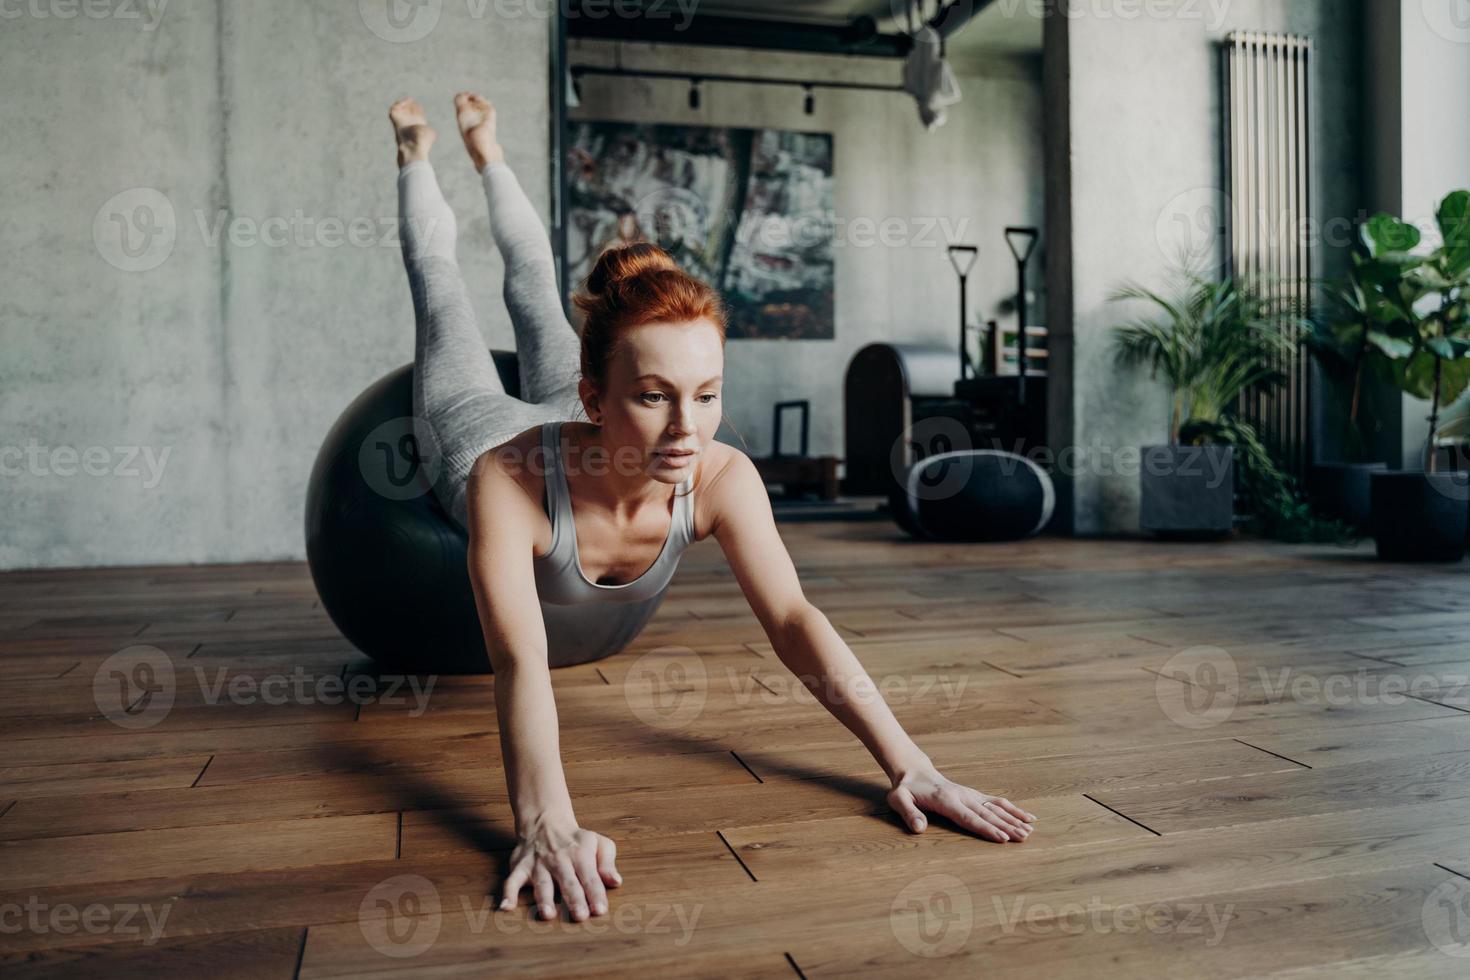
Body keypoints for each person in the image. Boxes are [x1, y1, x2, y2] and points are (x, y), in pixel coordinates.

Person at [391, 91, 1038, 925]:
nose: (688, 429)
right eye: (656, 396)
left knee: (537, 282)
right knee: (443, 293)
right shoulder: (502, 483)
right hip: (481, 426)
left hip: (583, 422)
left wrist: (912, 763)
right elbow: (520, 660)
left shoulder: (720, 474)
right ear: (598, 396)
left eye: (707, 394)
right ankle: (415, 150)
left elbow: (795, 619)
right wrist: (546, 822)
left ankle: (487, 152)